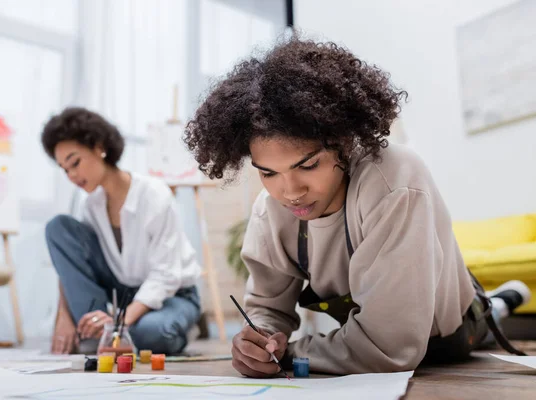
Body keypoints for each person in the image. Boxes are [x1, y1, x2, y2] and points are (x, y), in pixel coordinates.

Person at [183, 37, 531, 376]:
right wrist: (258, 340)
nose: (290, 192)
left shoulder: (394, 181)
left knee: (484, 320)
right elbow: (267, 311)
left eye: (308, 165)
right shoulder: (269, 209)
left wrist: (290, 352)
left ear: (344, 144)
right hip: (375, 331)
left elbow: (391, 347)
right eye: (269, 173)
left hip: (450, 334)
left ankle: (499, 302)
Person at [41, 107, 201, 355]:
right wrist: (64, 316)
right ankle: (101, 331)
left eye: (74, 162)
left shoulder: (154, 195)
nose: (71, 175)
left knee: (153, 334)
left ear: (98, 147)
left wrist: (119, 323)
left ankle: (171, 330)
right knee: (58, 227)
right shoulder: (91, 204)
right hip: (123, 293)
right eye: (65, 169)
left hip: (172, 294)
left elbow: (166, 276)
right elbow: (73, 268)